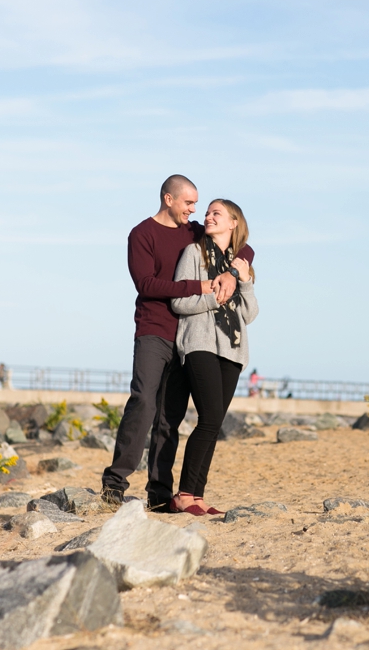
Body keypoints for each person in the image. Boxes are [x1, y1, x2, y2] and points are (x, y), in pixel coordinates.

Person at [101, 176, 253, 510]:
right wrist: (197, 287)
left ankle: (159, 495)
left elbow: (242, 244)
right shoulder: (142, 234)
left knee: (171, 416)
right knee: (144, 402)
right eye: (188, 203)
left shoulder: (193, 231)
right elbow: (146, 283)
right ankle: (114, 483)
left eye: (198, 205)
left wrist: (231, 274)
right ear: (168, 199)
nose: (195, 211)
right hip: (155, 329)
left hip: (188, 334)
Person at [170, 199, 258, 515]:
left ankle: (198, 496)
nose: (207, 216)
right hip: (200, 344)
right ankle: (183, 495)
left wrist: (243, 283)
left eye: (215, 213)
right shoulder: (194, 253)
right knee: (208, 418)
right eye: (207, 213)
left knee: (215, 423)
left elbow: (249, 314)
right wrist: (213, 297)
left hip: (233, 351)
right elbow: (179, 301)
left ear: (233, 222)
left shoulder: (239, 264)